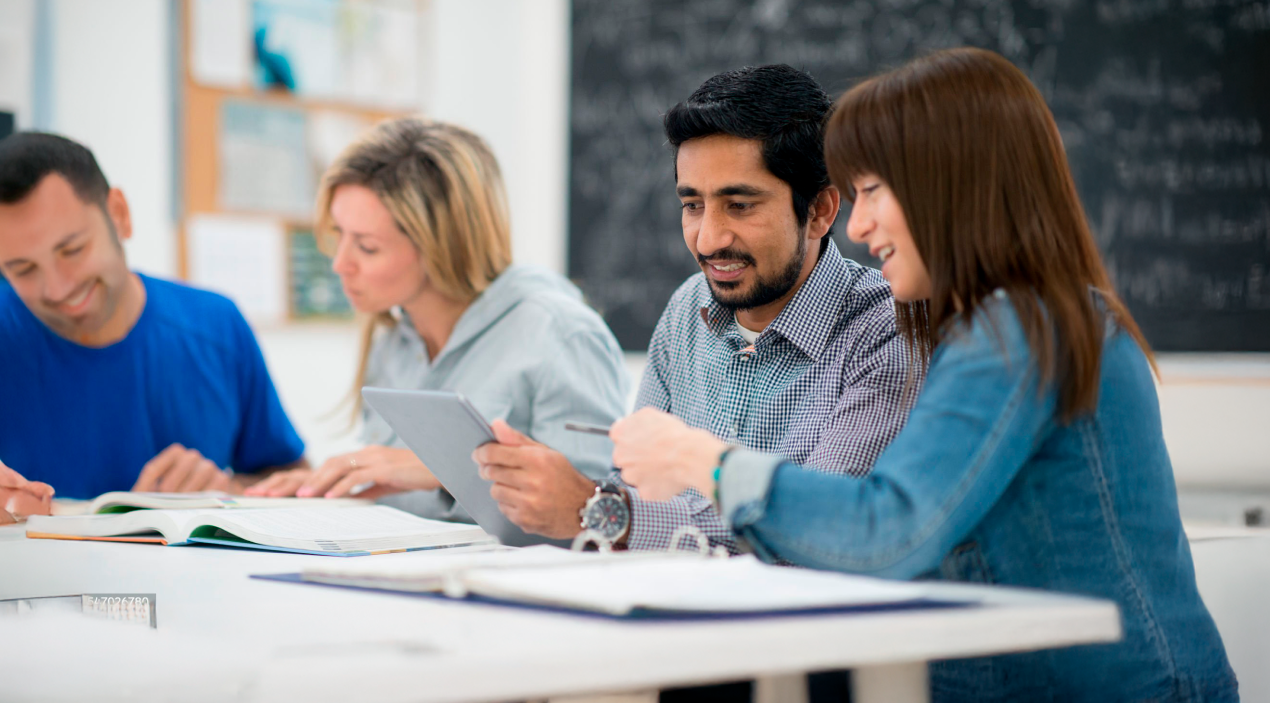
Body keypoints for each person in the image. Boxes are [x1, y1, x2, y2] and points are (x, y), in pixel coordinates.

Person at [612, 48, 1237, 701]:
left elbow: (888, 531)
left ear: (952, 185)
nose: (857, 225)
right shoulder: (1001, 322)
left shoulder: (1020, 327)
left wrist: (707, 462)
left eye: (875, 191)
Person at [472, 64, 916, 553]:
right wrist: (579, 500)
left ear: (820, 211)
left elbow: (810, 532)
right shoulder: (688, 308)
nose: (708, 240)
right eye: (692, 205)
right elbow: (634, 481)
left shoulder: (888, 332)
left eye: (740, 205)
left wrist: (597, 512)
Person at [247, 118, 628, 523]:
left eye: (367, 247)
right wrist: (322, 492)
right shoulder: (394, 341)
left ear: (441, 246)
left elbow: (599, 522)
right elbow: (397, 496)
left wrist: (440, 470)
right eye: (338, 234)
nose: (340, 264)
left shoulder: (560, 334)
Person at [0, 133, 306, 500]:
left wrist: (229, 488)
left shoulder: (216, 326)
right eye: (22, 269)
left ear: (119, 215)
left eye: (72, 250)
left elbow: (296, 479)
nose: (57, 288)